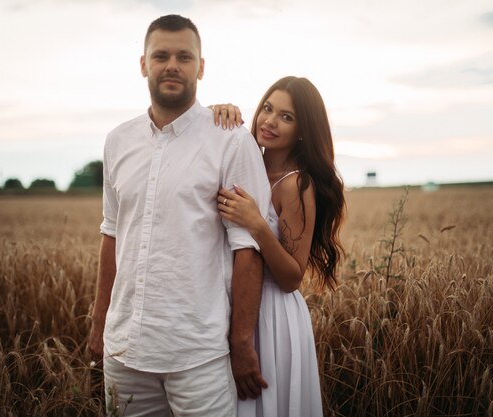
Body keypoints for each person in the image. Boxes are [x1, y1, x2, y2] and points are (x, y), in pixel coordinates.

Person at [87, 14, 272, 417]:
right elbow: (112, 233)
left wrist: (241, 343)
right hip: (125, 353)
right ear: (143, 65)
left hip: (198, 355)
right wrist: (100, 322)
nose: (172, 65)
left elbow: (248, 247)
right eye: (161, 55)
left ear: (201, 67)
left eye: (184, 56)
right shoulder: (118, 141)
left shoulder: (230, 141)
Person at [212, 76, 345, 417]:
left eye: (286, 117)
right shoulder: (243, 163)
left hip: (271, 317)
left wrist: (256, 224)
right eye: (268, 109)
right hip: (234, 304)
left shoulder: (296, 185)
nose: (270, 121)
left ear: (303, 131)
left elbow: (291, 278)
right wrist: (213, 115)